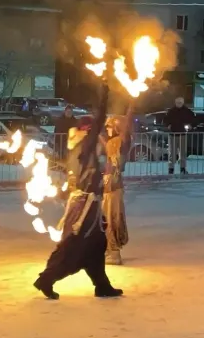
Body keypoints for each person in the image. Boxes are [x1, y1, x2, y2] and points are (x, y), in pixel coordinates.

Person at [34, 82, 123, 300]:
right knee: (74, 247)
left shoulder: (77, 147)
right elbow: (99, 123)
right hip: (85, 205)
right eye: (95, 131)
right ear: (88, 131)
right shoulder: (85, 146)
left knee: (96, 244)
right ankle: (47, 278)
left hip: (86, 202)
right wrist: (103, 97)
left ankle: (102, 285)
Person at [101, 112, 132, 265]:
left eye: (110, 126)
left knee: (113, 219)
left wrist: (131, 105)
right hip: (107, 185)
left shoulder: (122, 141)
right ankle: (107, 249)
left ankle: (114, 253)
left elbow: (126, 132)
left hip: (114, 186)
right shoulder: (111, 142)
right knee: (105, 220)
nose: (107, 129)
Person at [164, 97, 195, 175]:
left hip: (182, 134)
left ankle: (182, 168)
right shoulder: (171, 111)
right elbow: (165, 120)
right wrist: (168, 125)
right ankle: (171, 169)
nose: (179, 104)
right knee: (172, 153)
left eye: (180, 103)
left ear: (183, 103)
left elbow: (194, 119)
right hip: (173, 134)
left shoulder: (187, 111)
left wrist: (191, 125)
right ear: (175, 103)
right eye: (178, 103)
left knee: (183, 153)